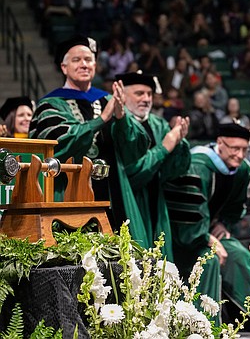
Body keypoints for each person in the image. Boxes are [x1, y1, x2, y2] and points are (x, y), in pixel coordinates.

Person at [164, 123, 250, 325]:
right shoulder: (197, 165)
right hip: (182, 237)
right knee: (209, 262)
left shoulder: (242, 169)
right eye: (235, 149)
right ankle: (203, 325)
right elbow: (184, 212)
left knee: (239, 254)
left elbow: (235, 206)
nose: (240, 155)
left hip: (206, 231)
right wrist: (206, 237)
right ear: (220, 143)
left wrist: (223, 224)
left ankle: (246, 322)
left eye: (245, 150)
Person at [28, 35, 127, 227]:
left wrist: (122, 119)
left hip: (112, 191)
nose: (84, 64)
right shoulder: (50, 104)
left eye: (89, 60)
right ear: (64, 67)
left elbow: (132, 147)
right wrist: (101, 120)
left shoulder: (107, 100)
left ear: (95, 65)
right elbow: (57, 146)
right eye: (76, 60)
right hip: (66, 191)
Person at [114, 71, 191, 261]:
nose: (146, 99)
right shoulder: (118, 125)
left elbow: (172, 171)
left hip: (156, 200)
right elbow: (132, 173)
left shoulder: (158, 124)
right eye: (139, 93)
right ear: (123, 96)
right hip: (128, 200)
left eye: (149, 94)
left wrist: (179, 143)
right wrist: (165, 147)